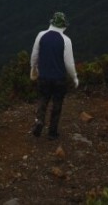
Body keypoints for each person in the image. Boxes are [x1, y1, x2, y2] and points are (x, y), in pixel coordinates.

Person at [30, 11, 78, 140]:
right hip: (59, 79)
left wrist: (33, 68)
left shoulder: (41, 35)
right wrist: (74, 77)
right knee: (57, 104)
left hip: (44, 76)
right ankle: (52, 132)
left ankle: (39, 121)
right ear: (64, 26)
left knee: (42, 100)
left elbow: (34, 56)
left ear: (51, 23)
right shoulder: (66, 40)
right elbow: (69, 63)